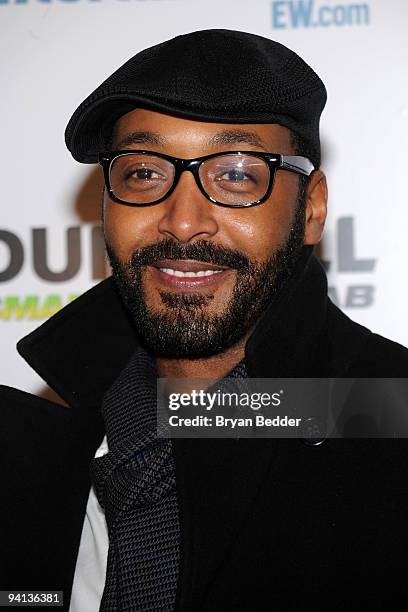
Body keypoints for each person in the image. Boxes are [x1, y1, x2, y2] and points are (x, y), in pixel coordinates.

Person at [1, 29, 408, 611]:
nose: (183, 220)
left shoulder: (388, 417)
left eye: (236, 174)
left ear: (311, 208)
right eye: (143, 172)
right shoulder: (29, 456)